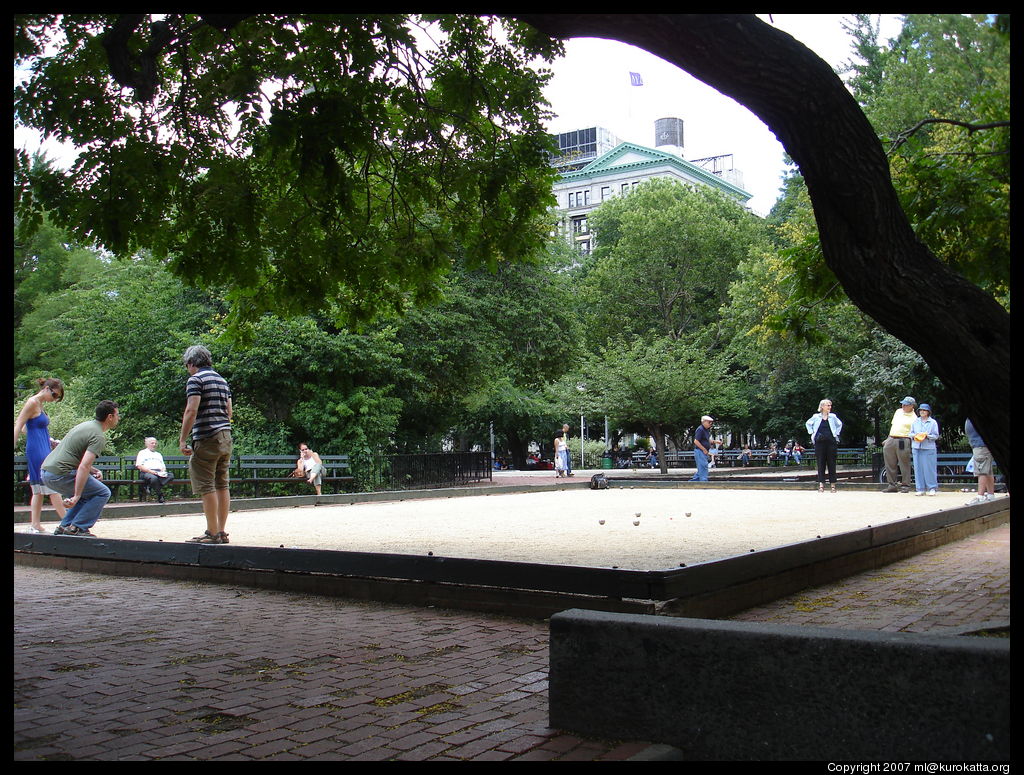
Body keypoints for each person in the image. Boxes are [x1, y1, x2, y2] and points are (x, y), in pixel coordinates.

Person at [178, 345, 233, 544]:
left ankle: (212, 532)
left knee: (206, 484)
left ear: (192, 363)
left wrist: (183, 439)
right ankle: (222, 531)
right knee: (222, 483)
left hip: (207, 437)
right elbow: (229, 412)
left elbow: (191, 410)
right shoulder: (222, 380)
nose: (188, 369)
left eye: (187, 366)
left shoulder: (196, 380)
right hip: (225, 436)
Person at [41, 400, 120, 536]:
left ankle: (65, 526)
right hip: (60, 474)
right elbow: (83, 466)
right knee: (102, 493)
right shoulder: (98, 435)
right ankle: (77, 528)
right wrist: (76, 495)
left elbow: (77, 457)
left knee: (88, 493)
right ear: (110, 417)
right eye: (117, 415)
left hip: (46, 472)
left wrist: (93, 470)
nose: (119, 418)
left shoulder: (85, 426)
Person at [14, 378, 68, 533]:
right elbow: (18, 425)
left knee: (38, 489)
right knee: (52, 486)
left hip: (43, 446)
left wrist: (49, 440)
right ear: (46, 388)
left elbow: (26, 428)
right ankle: (68, 522)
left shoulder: (40, 405)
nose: (55, 399)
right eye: (54, 395)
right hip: (37, 450)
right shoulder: (32, 402)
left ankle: (35, 525)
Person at [806, 398, 843, 493]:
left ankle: (833, 485)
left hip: (831, 442)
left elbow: (839, 424)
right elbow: (808, 424)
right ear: (822, 406)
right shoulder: (816, 417)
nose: (830, 407)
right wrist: (812, 433)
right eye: (828, 405)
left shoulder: (833, 417)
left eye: (830, 405)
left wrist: (836, 433)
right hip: (819, 443)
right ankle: (821, 484)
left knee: (832, 463)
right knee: (820, 463)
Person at [882, 396, 917, 492]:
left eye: (906, 404)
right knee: (889, 463)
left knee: (904, 463)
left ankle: (905, 485)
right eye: (903, 404)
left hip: (903, 439)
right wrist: (888, 438)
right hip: (892, 437)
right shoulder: (898, 411)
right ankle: (892, 485)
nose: (903, 406)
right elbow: (894, 425)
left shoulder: (914, 418)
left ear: (911, 406)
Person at [964, 418, 996, 504]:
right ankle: (990, 495)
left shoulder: (979, 414)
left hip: (981, 445)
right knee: (988, 470)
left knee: (981, 470)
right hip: (979, 445)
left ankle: (980, 496)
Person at [911, 404, 940, 496]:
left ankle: (932, 488)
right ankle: (920, 488)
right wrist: (915, 436)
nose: (922, 412)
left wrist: (927, 436)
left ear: (928, 412)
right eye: (921, 410)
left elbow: (936, 436)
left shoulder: (933, 422)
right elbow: (910, 434)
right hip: (916, 447)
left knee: (929, 468)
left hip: (928, 448)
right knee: (918, 468)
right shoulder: (915, 422)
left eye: (924, 410)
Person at [136, 436, 174, 503]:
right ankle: (160, 495)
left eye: (155, 443)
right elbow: (139, 466)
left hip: (158, 473)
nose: (154, 445)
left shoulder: (158, 454)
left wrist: (163, 471)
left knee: (171, 475)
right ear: (147, 444)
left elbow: (163, 466)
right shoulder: (142, 453)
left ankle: (149, 486)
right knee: (154, 478)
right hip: (146, 472)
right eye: (152, 443)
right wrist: (151, 471)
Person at [689, 415, 714, 481]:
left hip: (703, 451)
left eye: (711, 422)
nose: (710, 424)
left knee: (702, 467)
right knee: (703, 466)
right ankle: (704, 481)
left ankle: (693, 482)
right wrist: (704, 449)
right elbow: (696, 441)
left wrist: (714, 441)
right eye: (709, 422)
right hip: (700, 451)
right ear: (704, 422)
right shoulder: (700, 429)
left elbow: (706, 440)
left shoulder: (706, 430)